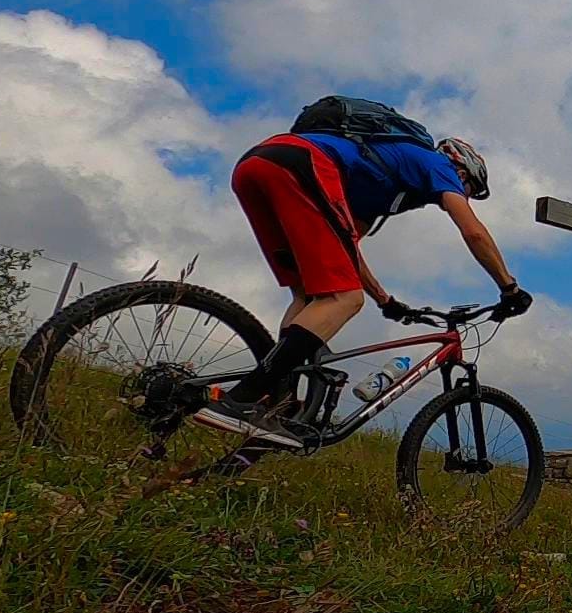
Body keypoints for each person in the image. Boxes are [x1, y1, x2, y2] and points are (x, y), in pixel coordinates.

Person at [193, 124, 532, 447]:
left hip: (257, 166)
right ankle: (243, 398)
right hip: (302, 164)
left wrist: (385, 300)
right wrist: (509, 288)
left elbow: (348, 249)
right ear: (462, 172)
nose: (464, 196)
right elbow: (473, 231)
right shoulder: (438, 165)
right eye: (469, 190)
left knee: (313, 295)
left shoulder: (382, 184)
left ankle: (272, 402)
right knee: (346, 299)